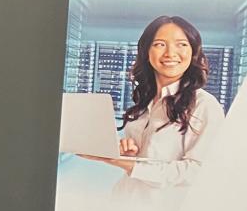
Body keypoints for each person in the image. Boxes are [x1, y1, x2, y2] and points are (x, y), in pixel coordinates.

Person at [87, 15, 224, 196]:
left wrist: (122, 163)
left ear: (193, 52)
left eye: (181, 44)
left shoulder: (203, 105)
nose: (170, 53)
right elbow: (151, 159)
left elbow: (198, 172)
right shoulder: (145, 103)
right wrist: (130, 153)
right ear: (146, 51)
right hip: (124, 201)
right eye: (160, 44)